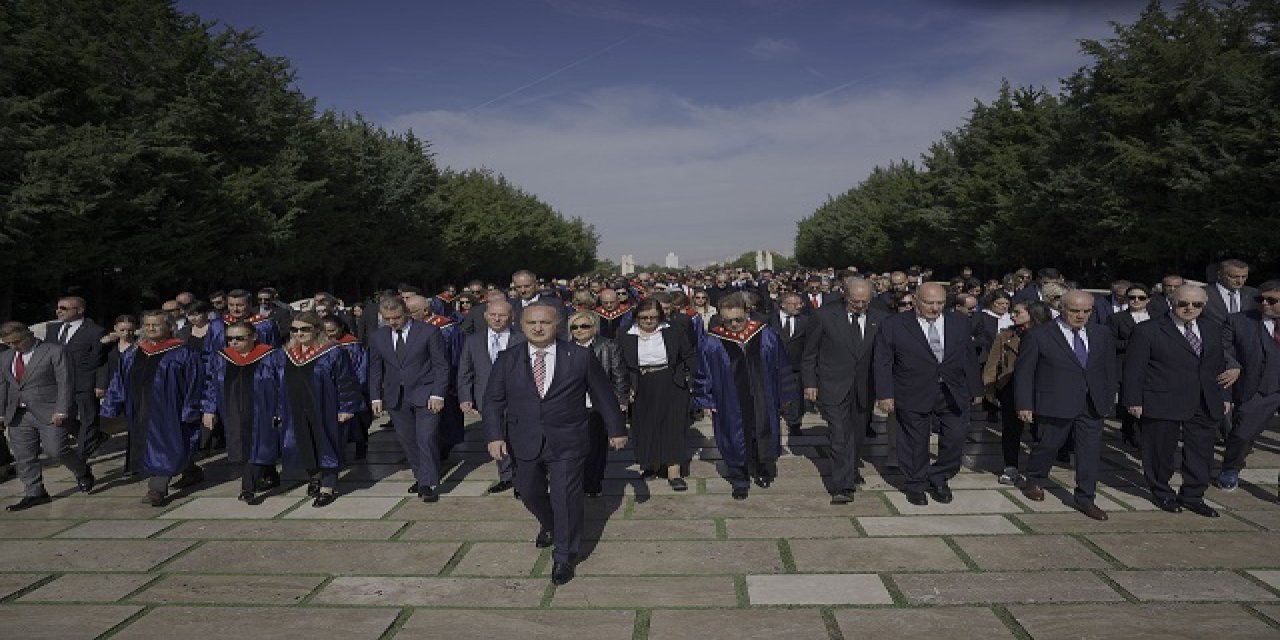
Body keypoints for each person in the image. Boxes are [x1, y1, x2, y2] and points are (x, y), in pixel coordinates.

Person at [483, 304, 627, 586]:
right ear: (522, 326)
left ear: (557, 325)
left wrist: (616, 429)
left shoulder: (580, 357)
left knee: (566, 498)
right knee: (528, 492)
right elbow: (493, 400)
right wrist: (494, 435)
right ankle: (549, 524)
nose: (538, 328)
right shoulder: (507, 359)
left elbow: (603, 395)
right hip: (523, 439)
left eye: (545, 322)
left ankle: (565, 556)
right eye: (532, 322)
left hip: (568, 440)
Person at [1123, 286, 1233, 517]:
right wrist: (1133, 400)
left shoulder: (1212, 328)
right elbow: (1134, 369)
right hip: (1163, 399)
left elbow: (1219, 366)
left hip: (1205, 399)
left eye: (1196, 305)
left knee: (1201, 452)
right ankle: (1162, 492)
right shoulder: (1148, 330)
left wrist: (1224, 396)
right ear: (1171, 302)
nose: (1189, 308)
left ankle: (1193, 495)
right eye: (1183, 303)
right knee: (1160, 452)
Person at [874, 283, 983, 506]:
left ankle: (939, 475)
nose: (935, 308)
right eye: (929, 303)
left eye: (940, 303)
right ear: (915, 300)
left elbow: (968, 357)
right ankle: (915, 483)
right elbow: (883, 361)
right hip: (912, 390)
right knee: (914, 441)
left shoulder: (960, 323)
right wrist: (885, 394)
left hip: (952, 391)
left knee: (956, 437)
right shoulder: (894, 325)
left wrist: (976, 388)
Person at [1013, 291, 1119, 520]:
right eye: (1075, 311)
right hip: (1055, 402)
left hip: (1091, 404)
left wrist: (1109, 396)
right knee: (1048, 445)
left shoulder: (1101, 333)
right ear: (1061, 309)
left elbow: (1109, 368)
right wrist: (1024, 404)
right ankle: (1034, 478)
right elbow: (1024, 373)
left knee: (1089, 453)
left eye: (1086, 311)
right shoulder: (1039, 335)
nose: (1081, 316)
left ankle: (1086, 498)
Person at [695, 292, 798, 499]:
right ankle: (739, 479)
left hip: (764, 397)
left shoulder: (766, 335)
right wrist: (706, 400)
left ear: (747, 314)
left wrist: (785, 395)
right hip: (729, 401)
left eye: (738, 320)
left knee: (763, 432)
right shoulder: (712, 342)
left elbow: (782, 366)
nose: (733, 325)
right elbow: (702, 373)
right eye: (728, 321)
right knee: (734, 439)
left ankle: (762, 469)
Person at [100, 310, 204, 506]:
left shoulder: (184, 353)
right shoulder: (133, 352)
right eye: (147, 325)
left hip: (171, 409)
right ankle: (192, 470)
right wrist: (111, 406)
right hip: (139, 408)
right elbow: (119, 381)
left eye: (156, 324)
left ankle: (157, 488)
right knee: (160, 446)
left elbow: (195, 383)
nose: (151, 328)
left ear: (170, 327)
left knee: (167, 445)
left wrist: (192, 409)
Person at [801, 279, 884, 503]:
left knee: (856, 435)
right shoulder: (824, 316)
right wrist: (810, 383)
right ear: (844, 296)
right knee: (839, 435)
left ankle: (851, 470)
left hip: (865, 387)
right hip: (832, 385)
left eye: (865, 302)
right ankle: (842, 487)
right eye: (855, 301)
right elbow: (810, 354)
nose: (860, 306)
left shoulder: (880, 318)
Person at [0, 322, 95, 510]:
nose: (14, 346)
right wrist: (1, 414)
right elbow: (3, 386)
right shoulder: (5, 357)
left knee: (56, 449)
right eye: (8, 343)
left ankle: (81, 470)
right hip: (18, 413)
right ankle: (35, 492)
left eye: (16, 341)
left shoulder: (54, 350)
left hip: (50, 410)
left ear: (29, 333)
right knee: (23, 456)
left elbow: (65, 381)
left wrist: (62, 410)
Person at [367, 297, 450, 502]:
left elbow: (441, 365)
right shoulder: (378, 336)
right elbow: (376, 368)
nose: (393, 322)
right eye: (387, 319)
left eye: (396, 317)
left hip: (426, 393)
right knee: (408, 441)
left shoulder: (428, 332)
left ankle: (429, 483)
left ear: (406, 312)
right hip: (397, 397)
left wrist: (438, 393)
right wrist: (375, 396)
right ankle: (421, 477)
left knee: (426, 438)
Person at [277, 311, 363, 507]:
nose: (299, 333)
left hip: (325, 406)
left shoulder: (333, 352)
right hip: (296, 407)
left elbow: (346, 381)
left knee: (328, 444)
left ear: (317, 329)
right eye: (295, 329)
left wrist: (346, 407)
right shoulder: (287, 353)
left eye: (304, 329)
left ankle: (328, 486)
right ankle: (314, 476)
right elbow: (279, 384)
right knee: (302, 443)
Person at [200, 320, 285, 503]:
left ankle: (248, 487)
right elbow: (211, 385)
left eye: (239, 338)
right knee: (244, 445)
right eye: (229, 339)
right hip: (232, 410)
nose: (233, 343)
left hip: (264, 408)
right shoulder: (221, 357)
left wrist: (282, 410)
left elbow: (283, 385)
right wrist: (209, 409)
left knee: (258, 444)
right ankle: (270, 474)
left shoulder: (272, 355)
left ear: (254, 337)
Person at [619, 298, 694, 489]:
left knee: (673, 426)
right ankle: (650, 465)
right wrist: (626, 388)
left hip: (671, 381)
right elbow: (619, 364)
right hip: (641, 383)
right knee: (646, 426)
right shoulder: (625, 334)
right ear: (636, 316)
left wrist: (690, 378)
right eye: (644, 317)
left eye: (653, 317)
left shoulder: (674, 329)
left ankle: (674, 472)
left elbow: (688, 355)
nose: (649, 321)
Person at [458, 299, 525, 494]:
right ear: (486, 316)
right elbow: (465, 371)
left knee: (518, 438)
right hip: (486, 398)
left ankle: (521, 479)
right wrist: (465, 396)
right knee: (496, 436)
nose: (497, 319)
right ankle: (506, 476)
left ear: (511, 317)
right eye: (493, 315)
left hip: (517, 398)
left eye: (502, 315)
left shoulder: (521, 339)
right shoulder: (473, 341)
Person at [1218, 280, 1280, 491]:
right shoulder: (1239, 321)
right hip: (1258, 388)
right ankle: (1231, 468)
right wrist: (1233, 365)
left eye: (1272, 300)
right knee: (1242, 434)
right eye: (1260, 299)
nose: (1264, 304)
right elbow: (1222, 347)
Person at [983, 302, 1052, 485]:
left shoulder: (1051, 336)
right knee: (1011, 429)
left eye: (1017, 312)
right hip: (1011, 387)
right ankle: (1010, 466)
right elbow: (992, 364)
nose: (1012, 315)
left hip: (1042, 389)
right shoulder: (1006, 335)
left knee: (1041, 431)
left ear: (1033, 314)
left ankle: (1037, 470)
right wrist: (989, 391)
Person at [567, 310, 629, 497]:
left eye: (584, 326)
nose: (579, 330)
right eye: (575, 327)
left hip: (597, 405)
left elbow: (619, 376)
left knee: (596, 448)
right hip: (572, 406)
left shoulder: (608, 346)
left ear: (594, 328)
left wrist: (620, 402)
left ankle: (593, 485)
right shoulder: (563, 348)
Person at [45, 296, 109, 459]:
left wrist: (101, 384)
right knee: (64, 418)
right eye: (58, 307)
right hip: (59, 383)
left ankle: (82, 455)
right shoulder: (52, 329)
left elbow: (102, 360)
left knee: (88, 418)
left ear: (80, 310)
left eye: (64, 308)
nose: (59, 311)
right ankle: (96, 437)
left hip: (84, 382)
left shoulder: (95, 331)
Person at [406, 294, 466, 461]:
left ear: (425, 311)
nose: (408, 316)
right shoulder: (408, 329)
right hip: (417, 385)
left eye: (411, 312)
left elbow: (457, 357)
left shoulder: (447, 328)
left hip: (443, 383)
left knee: (444, 425)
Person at [1107, 283, 1154, 448]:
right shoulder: (1116, 318)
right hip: (1125, 364)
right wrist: (1134, 343)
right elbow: (1110, 342)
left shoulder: (1157, 317)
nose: (1136, 300)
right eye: (1132, 297)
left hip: (1151, 365)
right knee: (1129, 399)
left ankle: (1142, 432)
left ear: (1148, 300)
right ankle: (1130, 431)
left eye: (1140, 297)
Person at [770, 292, 809, 436]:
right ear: (783, 305)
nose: (799, 306)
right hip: (773, 364)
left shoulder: (806, 321)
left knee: (796, 396)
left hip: (796, 365)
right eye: (795, 304)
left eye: (800, 304)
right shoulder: (769, 320)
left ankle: (795, 423)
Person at [1202, 259, 1258, 325]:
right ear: (1220, 275)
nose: (1240, 281)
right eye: (1234, 277)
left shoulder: (1254, 293)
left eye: (1244, 277)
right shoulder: (1202, 293)